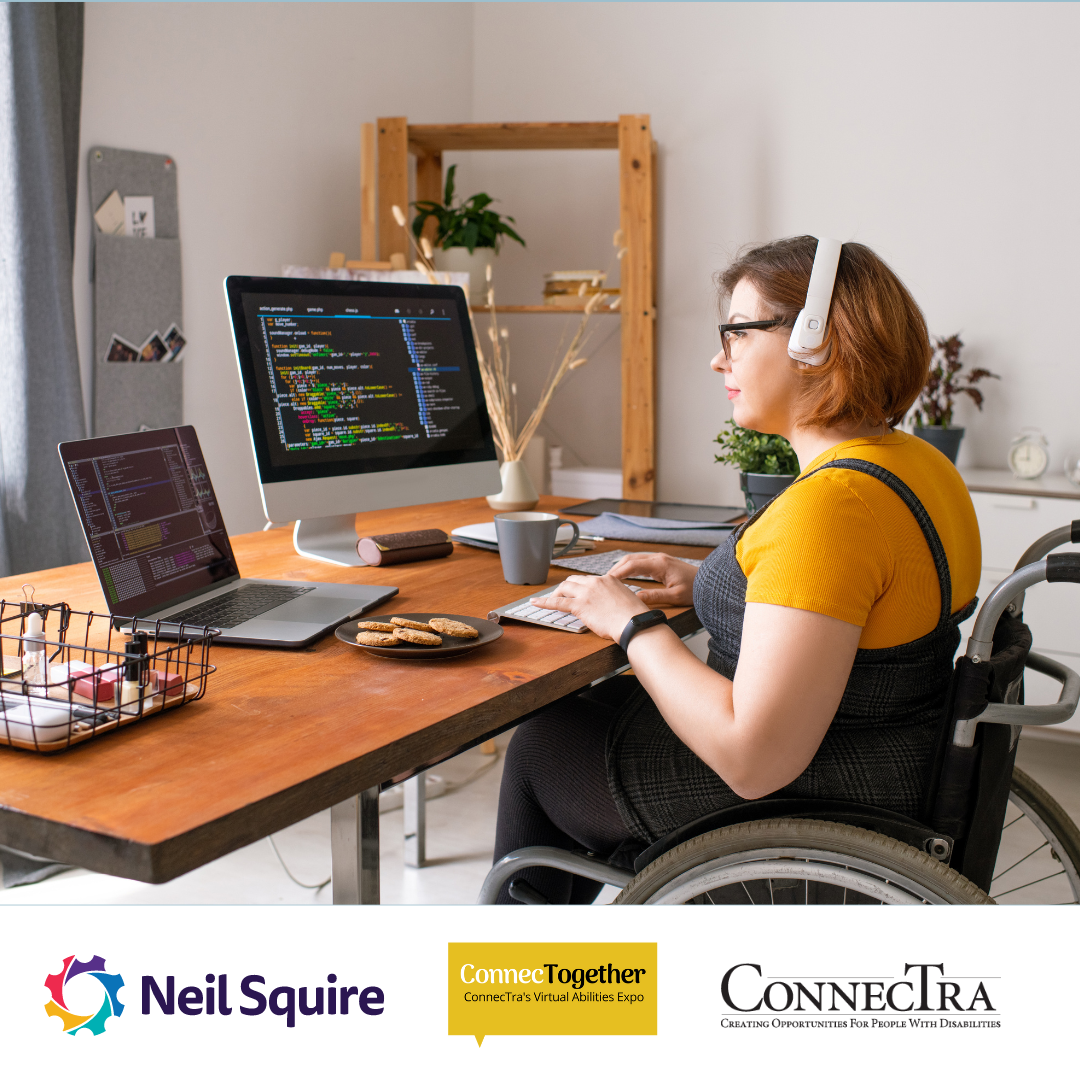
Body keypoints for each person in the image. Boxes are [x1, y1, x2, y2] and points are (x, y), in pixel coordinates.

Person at [490, 235, 982, 904]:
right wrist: (710, 585)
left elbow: (755, 760)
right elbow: (860, 607)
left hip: (815, 792)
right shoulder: (916, 464)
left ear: (816, 340)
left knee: (543, 746)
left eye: (739, 333)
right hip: (887, 757)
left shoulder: (833, 507)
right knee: (585, 715)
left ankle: (526, 996)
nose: (717, 357)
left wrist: (632, 624)